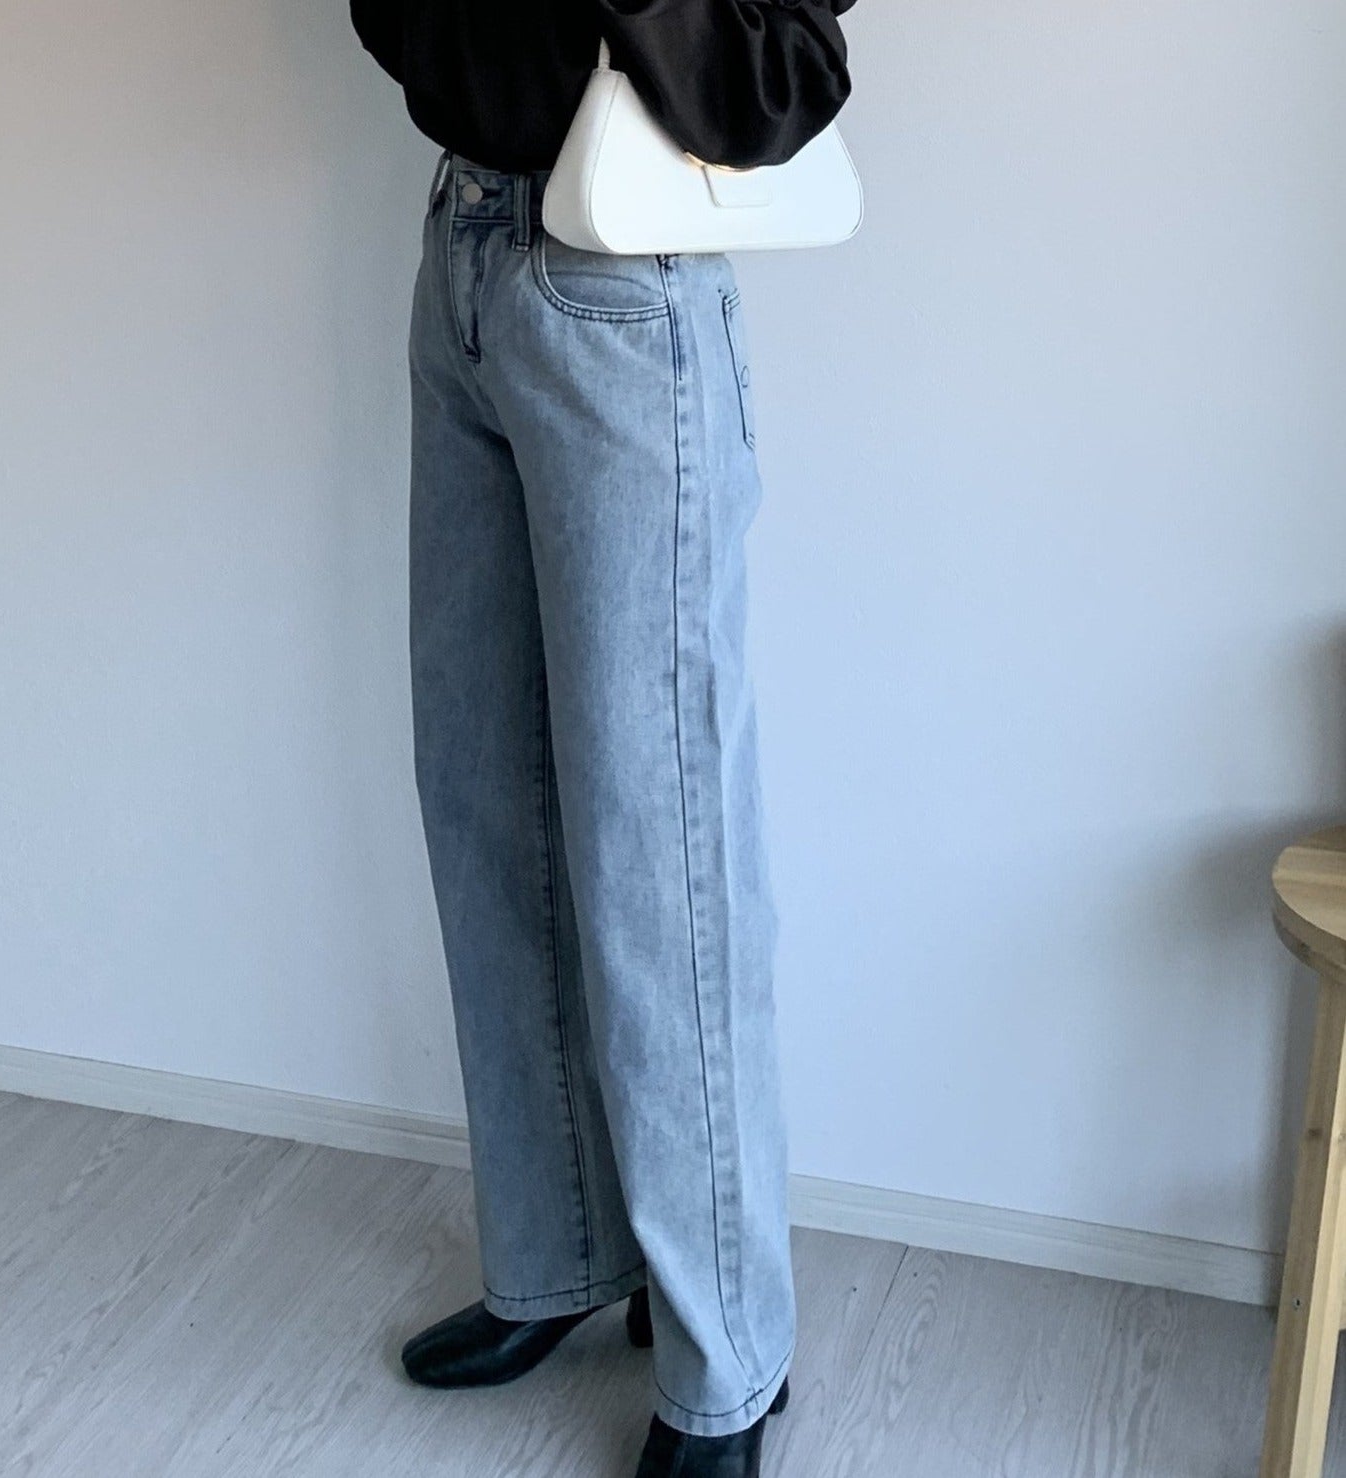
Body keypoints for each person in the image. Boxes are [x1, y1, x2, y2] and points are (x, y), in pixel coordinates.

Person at [347, 5, 855, 1475]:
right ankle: (560, 1252)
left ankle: (727, 1357)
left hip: (627, 283)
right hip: (461, 249)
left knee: (659, 846)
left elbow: (781, 80)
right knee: (483, 797)